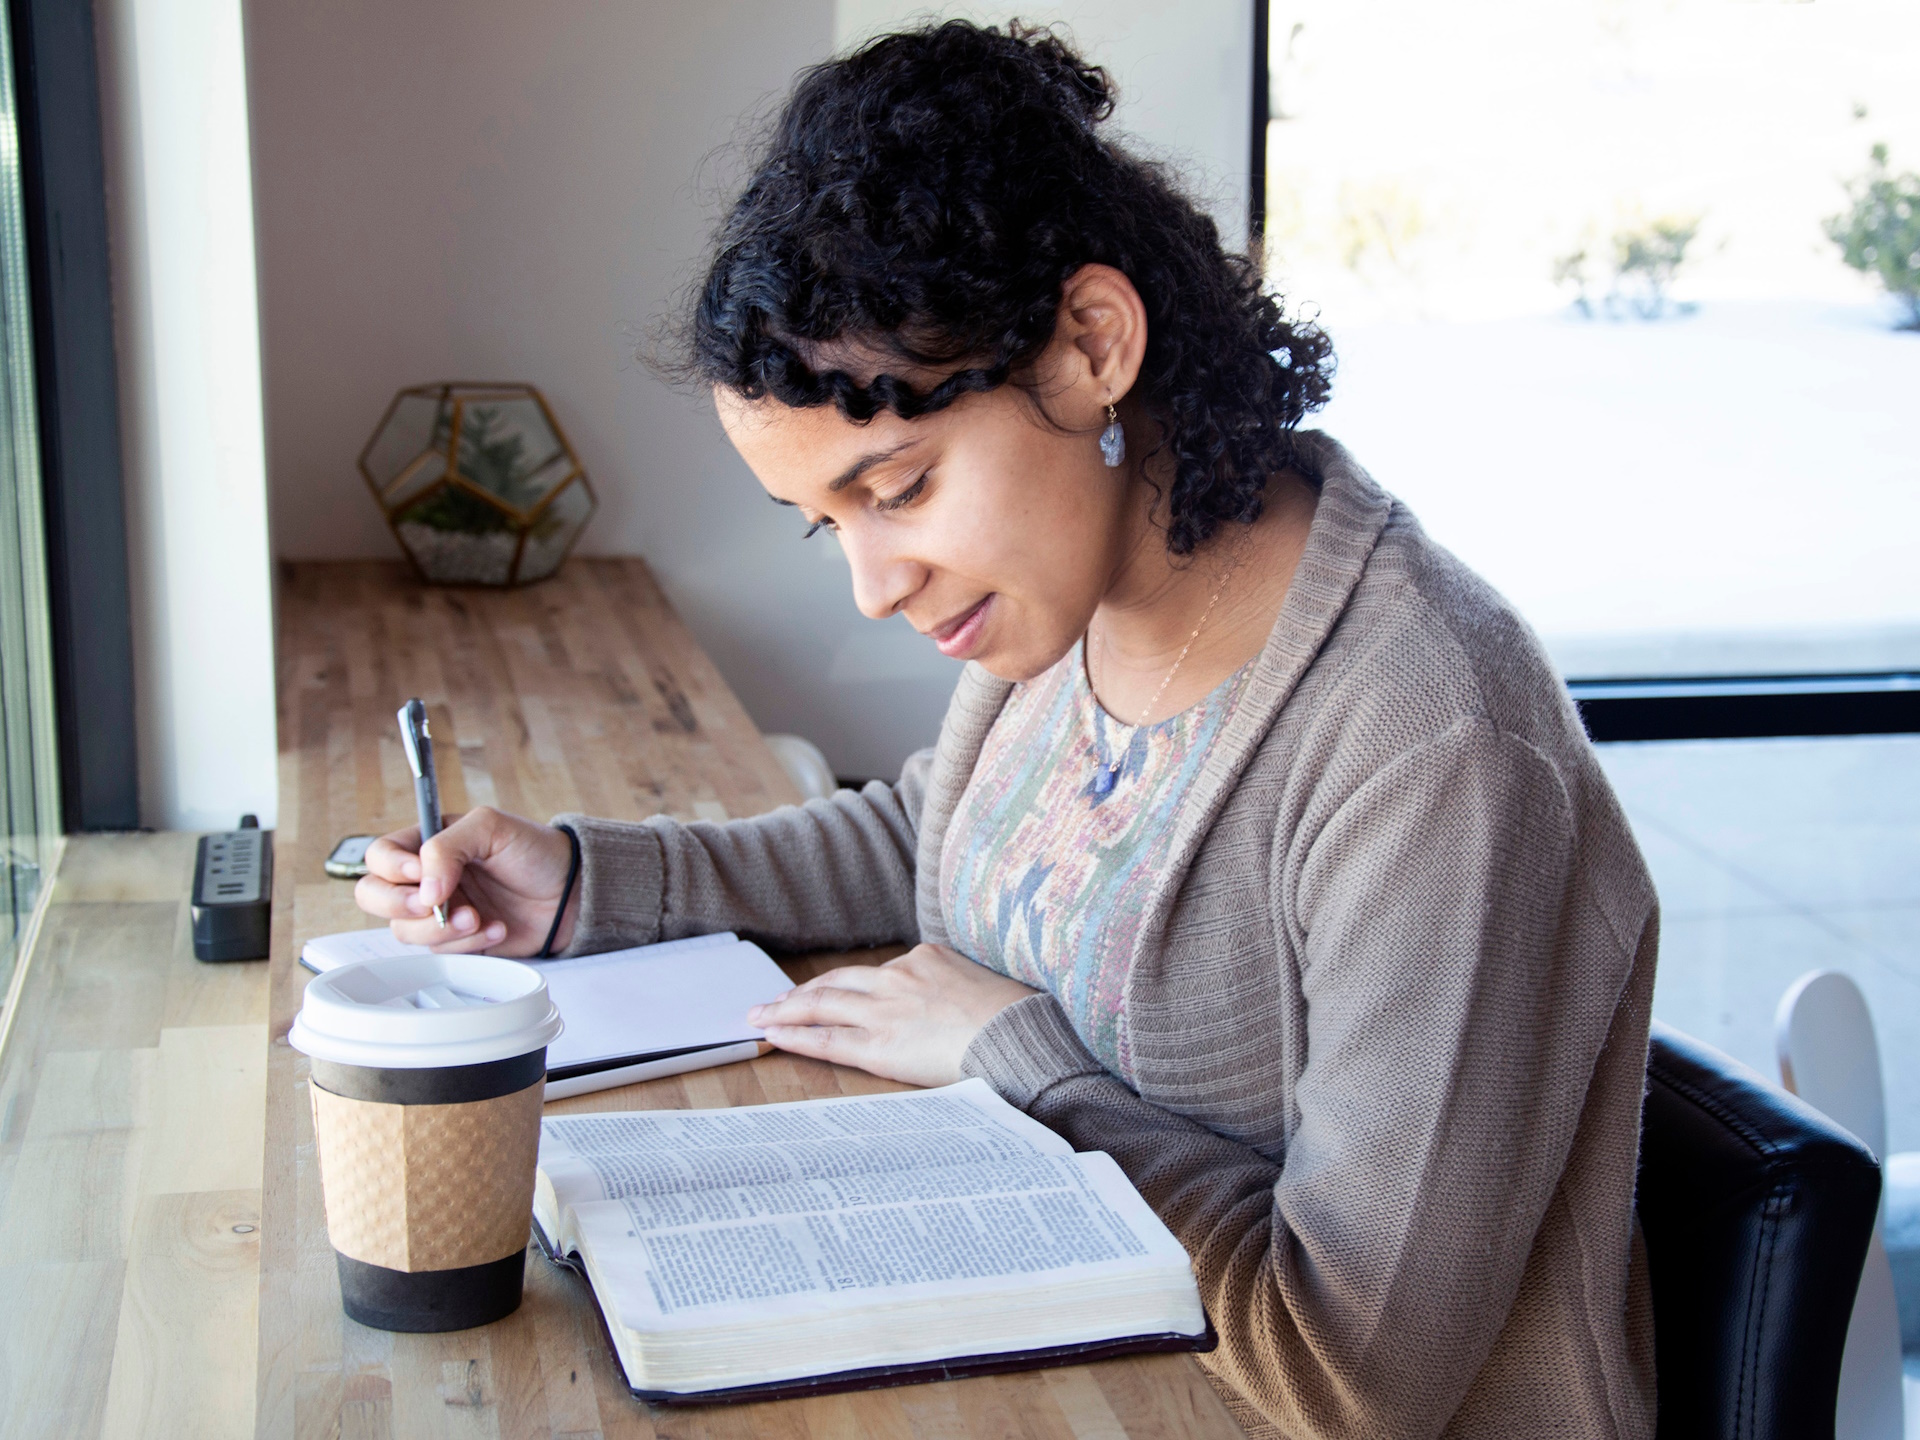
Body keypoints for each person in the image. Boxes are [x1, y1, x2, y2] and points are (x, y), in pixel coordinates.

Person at [355, 21, 1657, 1438]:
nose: (871, 585)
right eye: (827, 521)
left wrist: (1010, 1061)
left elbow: (1352, 1364)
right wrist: (593, 880)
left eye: (898, 487)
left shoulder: (1427, 752)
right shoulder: (1085, 596)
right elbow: (960, 828)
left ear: (1092, 346)